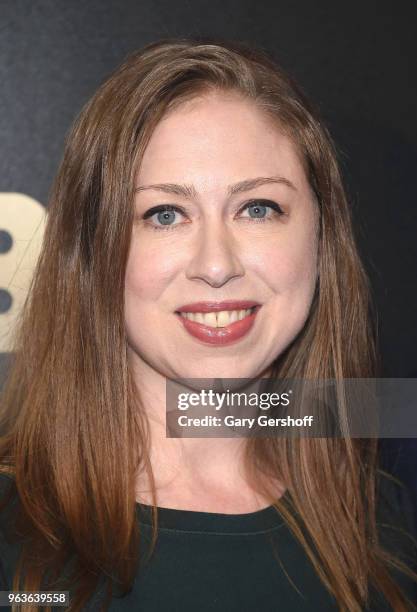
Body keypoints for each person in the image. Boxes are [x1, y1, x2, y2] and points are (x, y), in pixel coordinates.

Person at [0, 37, 416, 612]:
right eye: (164, 215)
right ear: (92, 252)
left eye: (258, 208)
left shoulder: (388, 521)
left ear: (321, 238)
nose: (216, 265)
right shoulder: (12, 541)